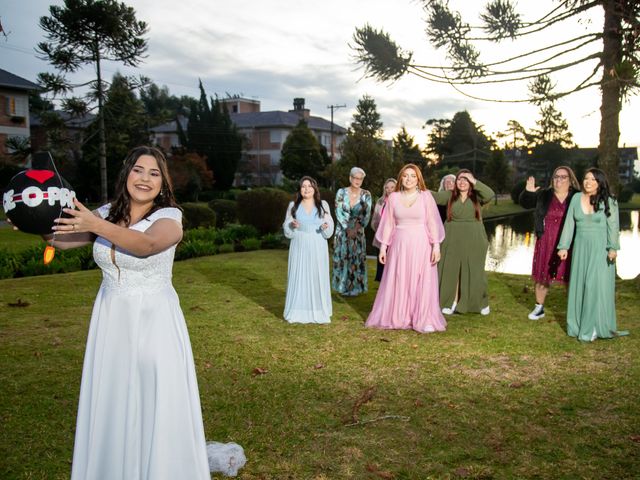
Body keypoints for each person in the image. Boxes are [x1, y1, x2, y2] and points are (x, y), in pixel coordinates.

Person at [46, 147, 210, 479]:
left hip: (155, 320)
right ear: (127, 175)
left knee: (154, 395)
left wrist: (96, 223)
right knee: (114, 395)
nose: (145, 178)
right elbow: (61, 239)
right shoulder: (108, 212)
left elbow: (145, 246)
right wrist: (32, 219)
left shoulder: (169, 217)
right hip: (111, 318)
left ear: (163, 184)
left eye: (154, 173)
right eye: (139, 170)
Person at [366, 164, 446, 333]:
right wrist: (383, 248)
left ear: (418, 180)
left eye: (413, 176)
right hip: (399, 245)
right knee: (399, 278)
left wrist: (436, 246)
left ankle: (424, 318)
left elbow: (432, 222)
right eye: (406, 175)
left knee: (422, 280)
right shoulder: (393, 198)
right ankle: (399, 316)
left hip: (421, 244)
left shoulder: (426, 197)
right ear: (401, 178)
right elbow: (388, 224)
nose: (409, 179)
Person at [557, 168, 627, 341]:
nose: (588, 182)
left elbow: (614, 227)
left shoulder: (609, 201)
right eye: (586, 178)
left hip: (600, 249)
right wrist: (564, 246)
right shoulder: (575, 198)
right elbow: (569, 224)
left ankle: (593, 328)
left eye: (593, 179)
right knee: (579, 285)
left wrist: (613, 248)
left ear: (600, 183)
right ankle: (577, 326)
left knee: (594, 286)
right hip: (581, 248)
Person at [519, 166, 580, 320]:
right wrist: (528, 192)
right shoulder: (544, 195)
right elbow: (525, 203)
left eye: (563, 177)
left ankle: (575, 309)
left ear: (571, 180)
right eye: (556, 177)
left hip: (569, 241)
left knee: (570, 276)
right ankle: (539, 308)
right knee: (542, 275)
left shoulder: (577, 196)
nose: (559, 180)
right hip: (546, 240)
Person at [432, 169, 495, 315]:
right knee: (449, 270)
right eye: (460, 179)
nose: (462, 182)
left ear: (471, 182)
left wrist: (474, 181)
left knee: (475, 271)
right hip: (452, 236)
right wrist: (417, 187)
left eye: (466, 179)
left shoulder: (477, 197)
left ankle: (480, 302)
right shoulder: (449, 196)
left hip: (474, 238)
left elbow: (490, 194)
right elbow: (433, 196)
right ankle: (449, 302)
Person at [283, 176, 334, 324]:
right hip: (299, 244)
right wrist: (291, 225)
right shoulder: (293, 205)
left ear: (314, 189)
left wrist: (326, 226)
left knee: (315, 275)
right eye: (303, 186)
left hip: (317, 244)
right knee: (299, 274)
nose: (306, 189)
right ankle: (298, 310)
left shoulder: (322, 205)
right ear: (300, 189)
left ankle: (318, 310)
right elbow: (286, 224)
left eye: (309, 186)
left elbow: (329, 223)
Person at [332, 167, 372, 296]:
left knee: (356, 258)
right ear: (350, 178)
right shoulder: (341, 192)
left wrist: (355, 228)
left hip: (358, 231)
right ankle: (341, 287)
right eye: (355, 177)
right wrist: (347, 228)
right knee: (342, 257)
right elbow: (338, 211)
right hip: (342, 231)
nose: (358, 180)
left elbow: (366, 214)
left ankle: (356, 288)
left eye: (360, 178)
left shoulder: (366, 194)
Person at [371, 178, 397, 282]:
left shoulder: (400, 201)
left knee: (392, 266)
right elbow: (374, 221)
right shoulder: (380, 202)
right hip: (381, 238)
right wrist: (379, 228)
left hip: (395, 238)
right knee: (382, 266)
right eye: (387, 188)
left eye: (392, 187)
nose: (389, 190)